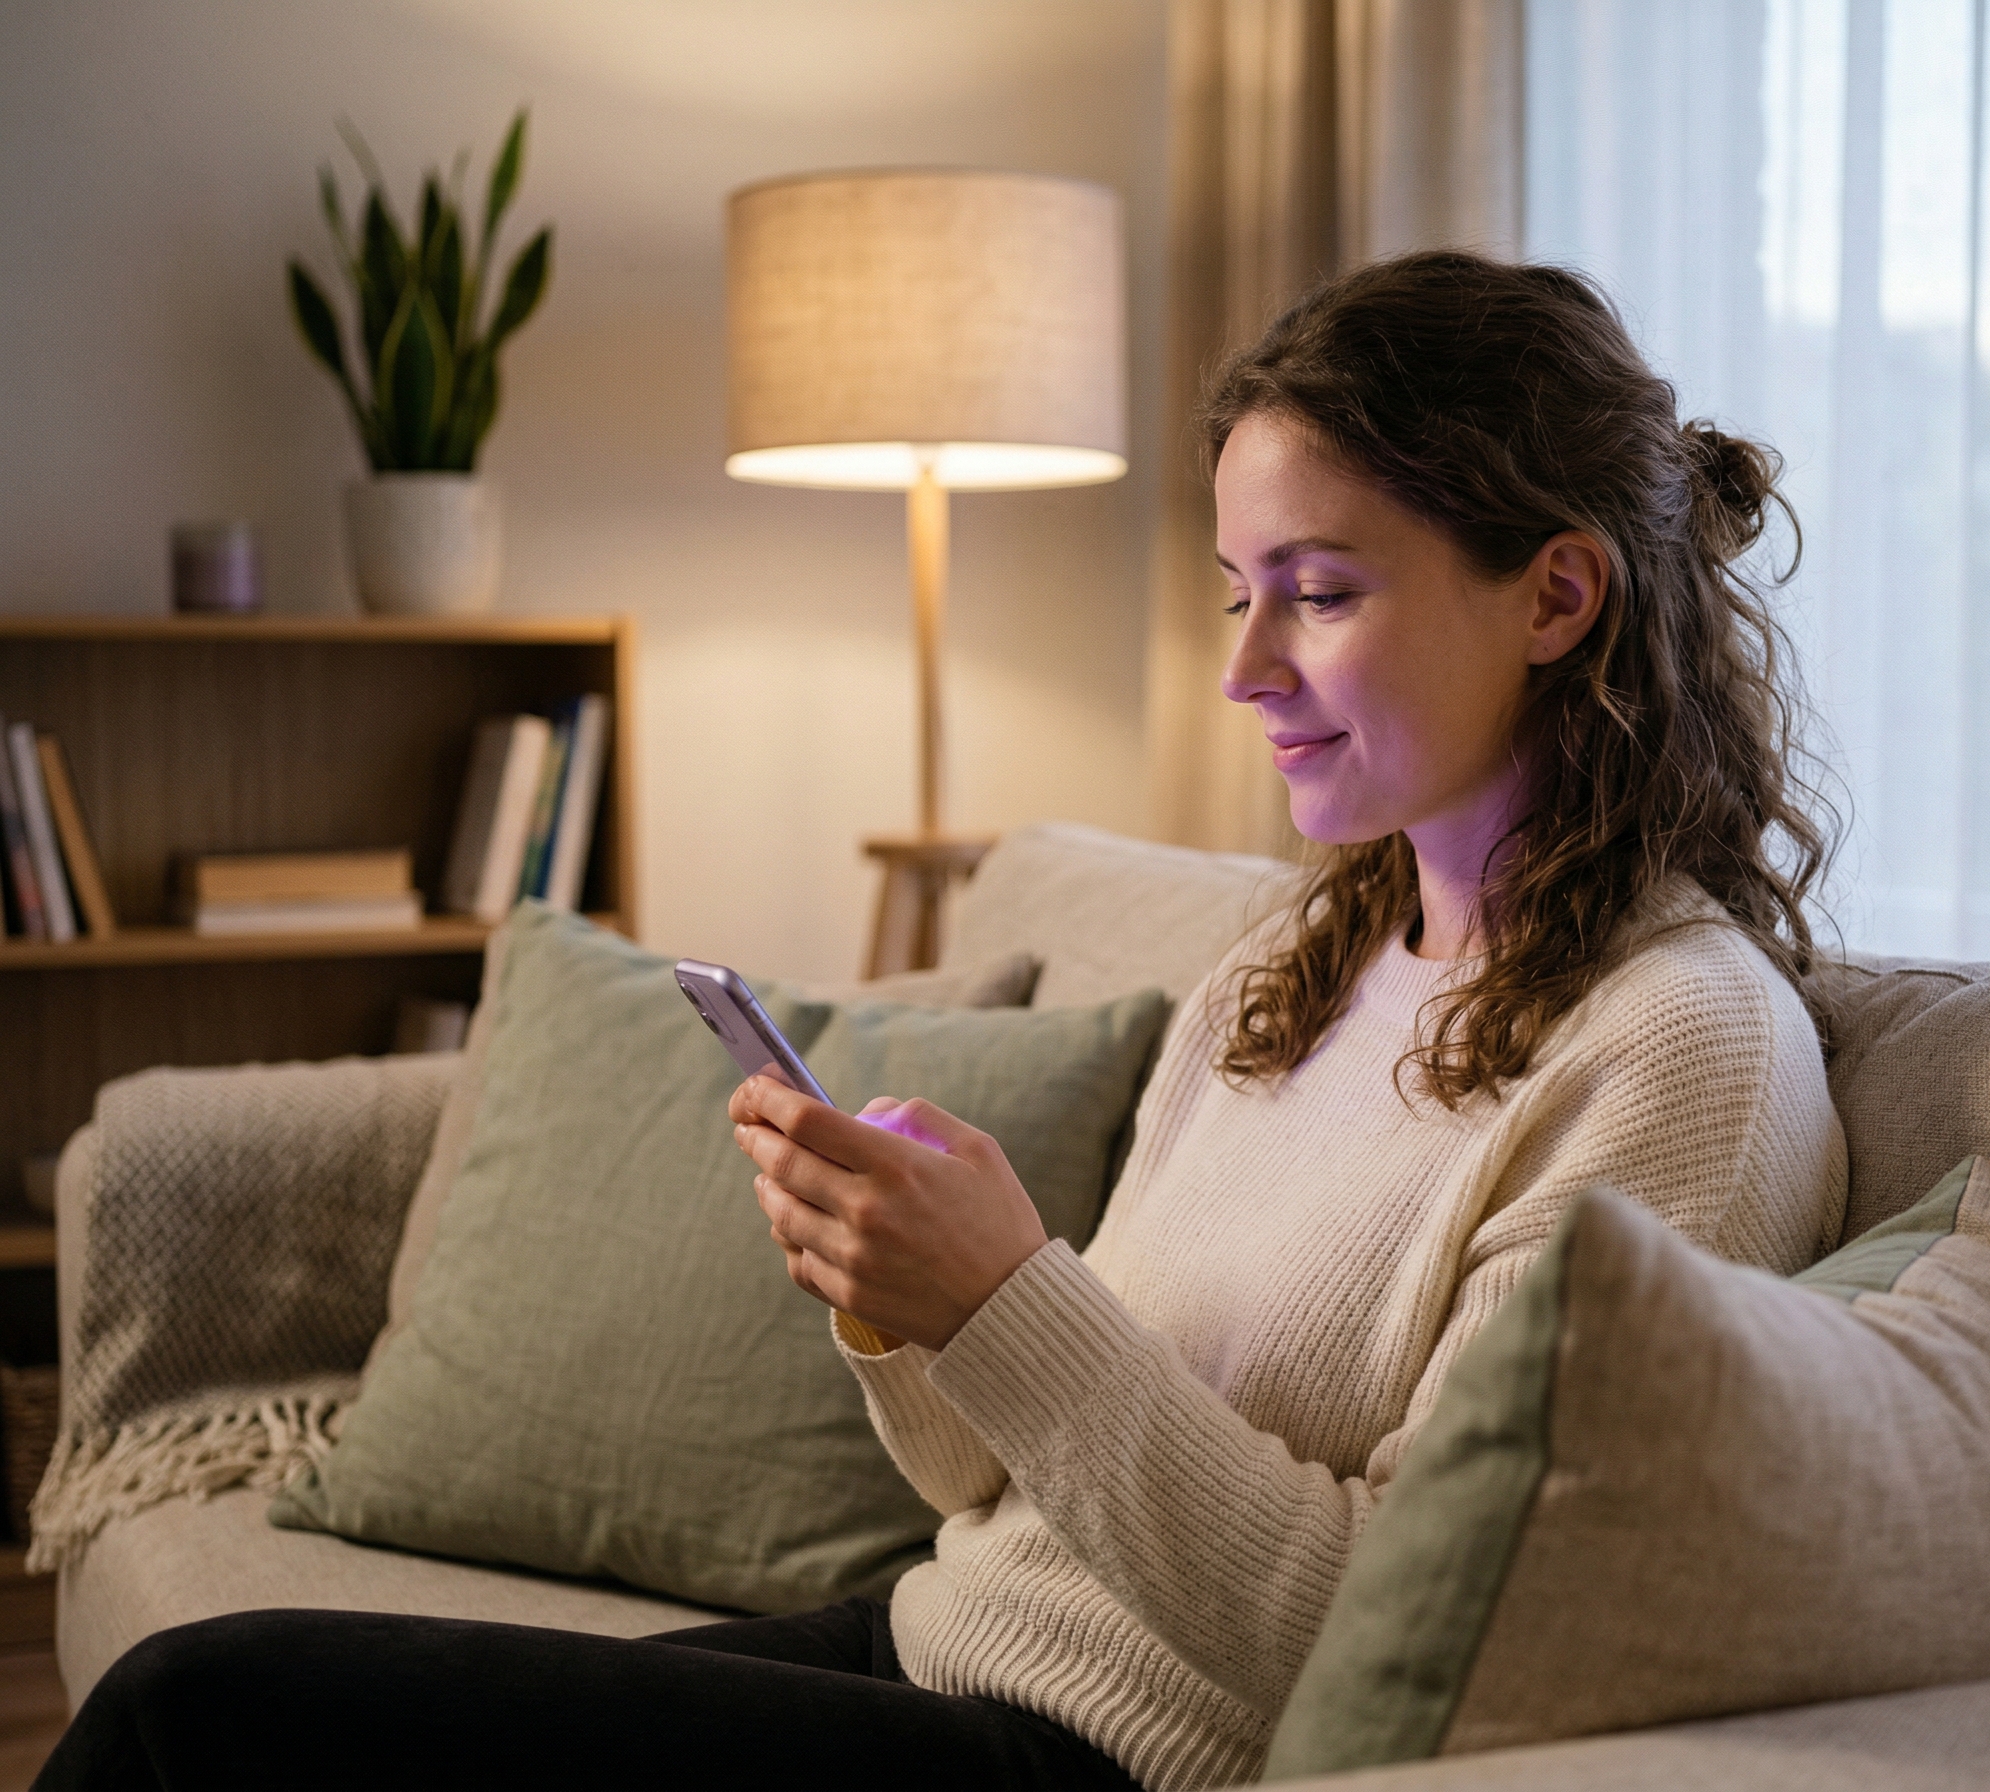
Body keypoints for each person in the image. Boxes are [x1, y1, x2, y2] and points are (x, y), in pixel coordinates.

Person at [38, 250, 1846, 1792]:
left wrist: (1010, 1297)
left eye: (1321, 591)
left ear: (1558, 592)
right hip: (941, 1643)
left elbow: (1407, 1648)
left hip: (1111, 1763)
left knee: (204, 1723)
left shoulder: (1678, 1056)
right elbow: (990, 1481)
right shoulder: (1295, 970)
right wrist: (901, 1305)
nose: (1243, 669)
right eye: (1239, 592)